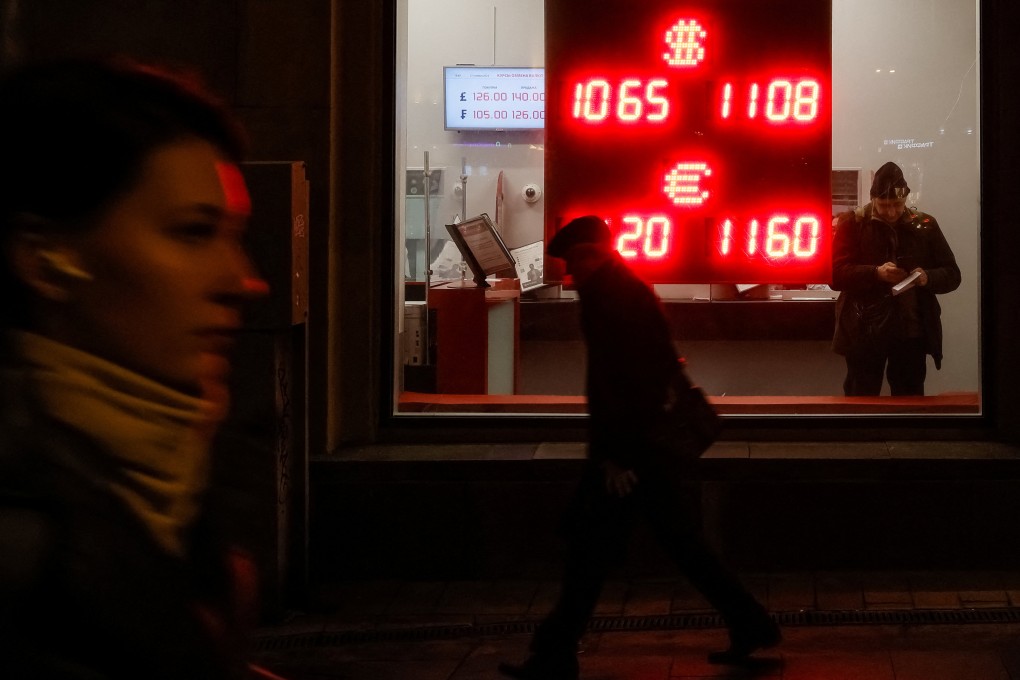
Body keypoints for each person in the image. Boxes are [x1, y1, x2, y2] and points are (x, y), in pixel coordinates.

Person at [0, 57, 283, 678]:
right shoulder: (24, 546)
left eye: (235, 235)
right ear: (44, 261)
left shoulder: (173, 477)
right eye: (192, 232)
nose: (243, 280)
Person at [499, 216, 779, 680]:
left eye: (574, 261)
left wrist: (616, 456)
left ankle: (555, 654)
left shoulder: (610, 298)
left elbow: (622, 382)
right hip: (644, 448)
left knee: (591, 552)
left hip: (630, 454)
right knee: (678, 544)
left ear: (592, 254)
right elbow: (654, 367)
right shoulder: (625, 289)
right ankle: (750, 623)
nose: (570, 273)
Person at [831, 162, 961, 396]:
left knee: (908, 399)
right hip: (865, 331)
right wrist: (875, 272)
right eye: (884, 205)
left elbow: (953, 274)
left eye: (897, 204)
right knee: (861, 398)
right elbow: (835, 275)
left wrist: (927, 277)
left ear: (906, 199)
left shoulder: (925, 226)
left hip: (909, 331)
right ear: (873, 199)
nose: (891, 212)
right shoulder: (852, 224)